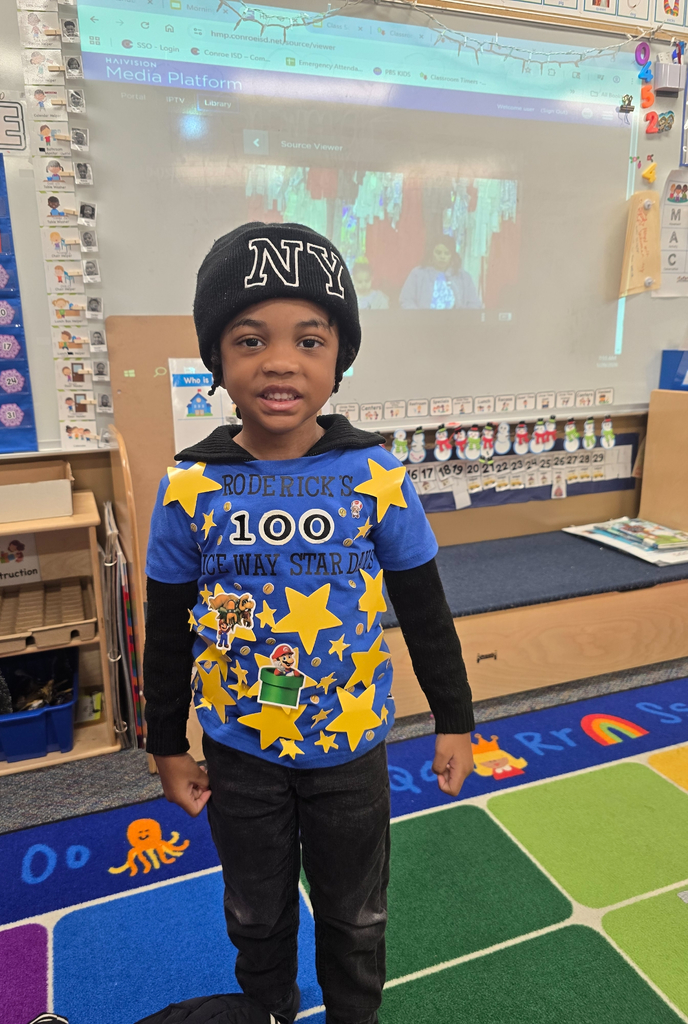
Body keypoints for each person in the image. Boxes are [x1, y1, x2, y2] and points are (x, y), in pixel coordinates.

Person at [144, 222, 475, 1024]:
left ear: (340, 360)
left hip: (350, 750)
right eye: (250, 339)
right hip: (239, 751)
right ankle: (269, 1014)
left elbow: (425, 610)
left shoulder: (376, 474)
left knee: (356, 917)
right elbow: (164, 624)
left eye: (310, 339)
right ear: (217, 360)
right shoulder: (190, 483)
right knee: (256, 916)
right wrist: (164, 741)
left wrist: (455, 720)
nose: (281, 361)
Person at [399, 235, 481, 309]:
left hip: (455, 324)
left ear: (452, 255)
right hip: (423, 323)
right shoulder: (417, 274)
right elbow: (406, 300)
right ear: (431, 253)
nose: (442, 257)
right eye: (438, 253)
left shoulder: (464, 277)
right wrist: (419, 318)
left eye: (447, 253)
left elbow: (474, 304)